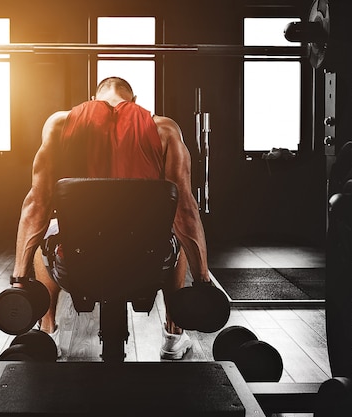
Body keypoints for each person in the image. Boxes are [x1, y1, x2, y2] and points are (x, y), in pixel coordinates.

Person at [11, 77, 212, 360]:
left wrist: (18, 280)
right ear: (135, 100)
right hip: (149, 262)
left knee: (48, 228)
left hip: (76, 261)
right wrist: (203, 281)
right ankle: (173, 334)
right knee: (173, 227)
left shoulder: (60, 123)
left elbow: (36, 205)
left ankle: (48, 329)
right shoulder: (164, 128)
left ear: (92, 98)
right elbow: (186, 210)